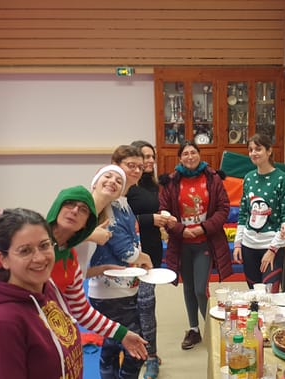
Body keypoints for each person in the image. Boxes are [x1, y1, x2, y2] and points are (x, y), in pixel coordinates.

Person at [0, 154, 147, 379]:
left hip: (26, 339)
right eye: (69, 204)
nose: (75, 211)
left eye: (83, 209)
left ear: (87, 223)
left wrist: (121, 333)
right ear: (57, 207)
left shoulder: (71, 262)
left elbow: (81, 309)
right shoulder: (27, 230)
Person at [0, 208, 83, 378]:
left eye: (44, 245)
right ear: (4, 260)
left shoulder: (47, 287)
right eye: (25, 251)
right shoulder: (2, 323)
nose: (39, 258)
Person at [88, 145, 155, 379]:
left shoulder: (122, 200)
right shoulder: (109, 202)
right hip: (110, 289)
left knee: (112, 343)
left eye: (140, 165)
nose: (137, 170)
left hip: (122, 285)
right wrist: (144, 258)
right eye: (130, 165)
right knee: (135, 347)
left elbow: (131, 241)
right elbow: (125, 250)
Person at [158, 141, 232, 351]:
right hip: (182, 244)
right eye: (185, 153)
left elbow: (223, 209)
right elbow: (164, 211)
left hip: (204, 242)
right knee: (188, 288)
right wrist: (181, 230)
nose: (190, 156)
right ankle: (194, 330)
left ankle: (211, 329)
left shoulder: (213, 178)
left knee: (201, 289)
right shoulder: (171, 182)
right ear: (180, 158)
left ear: (199, 155)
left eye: (193, 152)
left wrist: (203, 228)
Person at [127, 140, 174, 378]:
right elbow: (125, 219)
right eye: (145, 156)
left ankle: (152, 356)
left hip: (152, 251)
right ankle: (137, 350)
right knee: (131, 307)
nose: (149, 161)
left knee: (146, 304)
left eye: (152, 156)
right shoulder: (126, 187)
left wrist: (165, 218)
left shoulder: (153, 186)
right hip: (128, 256)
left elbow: (155, 212)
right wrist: (150, 219)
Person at [232, 133, 285, 293]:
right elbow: (244, 213)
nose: (253, 153)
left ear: (269, 151)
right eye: (250, 149)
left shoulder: (283, 180)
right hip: (248, 246)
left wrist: (273, 249)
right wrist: (238, 243)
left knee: (269, 296)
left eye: (258, 149)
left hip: (271, 246)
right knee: (254, 295)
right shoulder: (248, 178)